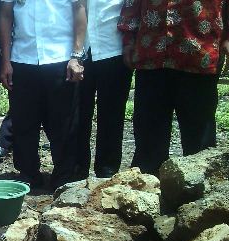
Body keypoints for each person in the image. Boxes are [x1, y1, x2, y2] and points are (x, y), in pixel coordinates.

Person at [119, 0, 227, 175]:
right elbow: (132, 3)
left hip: (199, 55)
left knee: (199, 140)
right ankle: (147, 192)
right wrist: (128, 40)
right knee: (148, 138)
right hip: (151, 55)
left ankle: (198, 193)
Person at [0, 0, 86, 189]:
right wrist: (5, 60)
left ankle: (63, 177)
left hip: (61, 57)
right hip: (23, 56)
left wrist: (76, 55)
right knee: (23, 122)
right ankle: (28, 174)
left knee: (63, 124)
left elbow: (80, 7)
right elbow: (5, 14)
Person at [74, 0, 133, 179]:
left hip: (113, 46)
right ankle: (77, 168)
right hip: (80, 50)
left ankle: (107, 169)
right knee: (78, 113)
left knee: (112, 114)